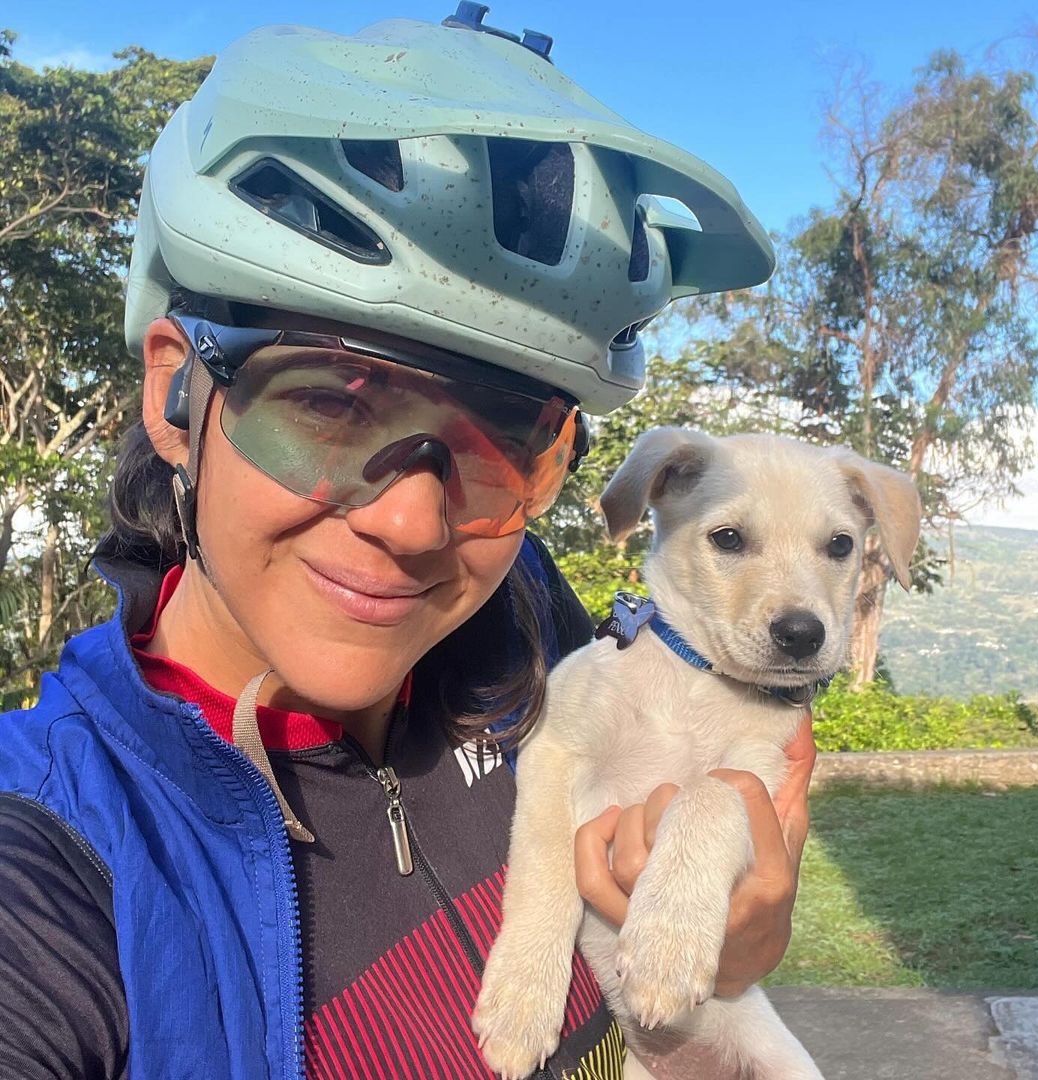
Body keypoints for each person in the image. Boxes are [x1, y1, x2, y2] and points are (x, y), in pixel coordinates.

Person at [0, 8, 815, 1079]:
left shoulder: (518, 612)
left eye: (502, 439)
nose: (415, 524)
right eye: (331, 405)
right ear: (175, 391)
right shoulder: (54, 853)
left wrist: (721, 954)